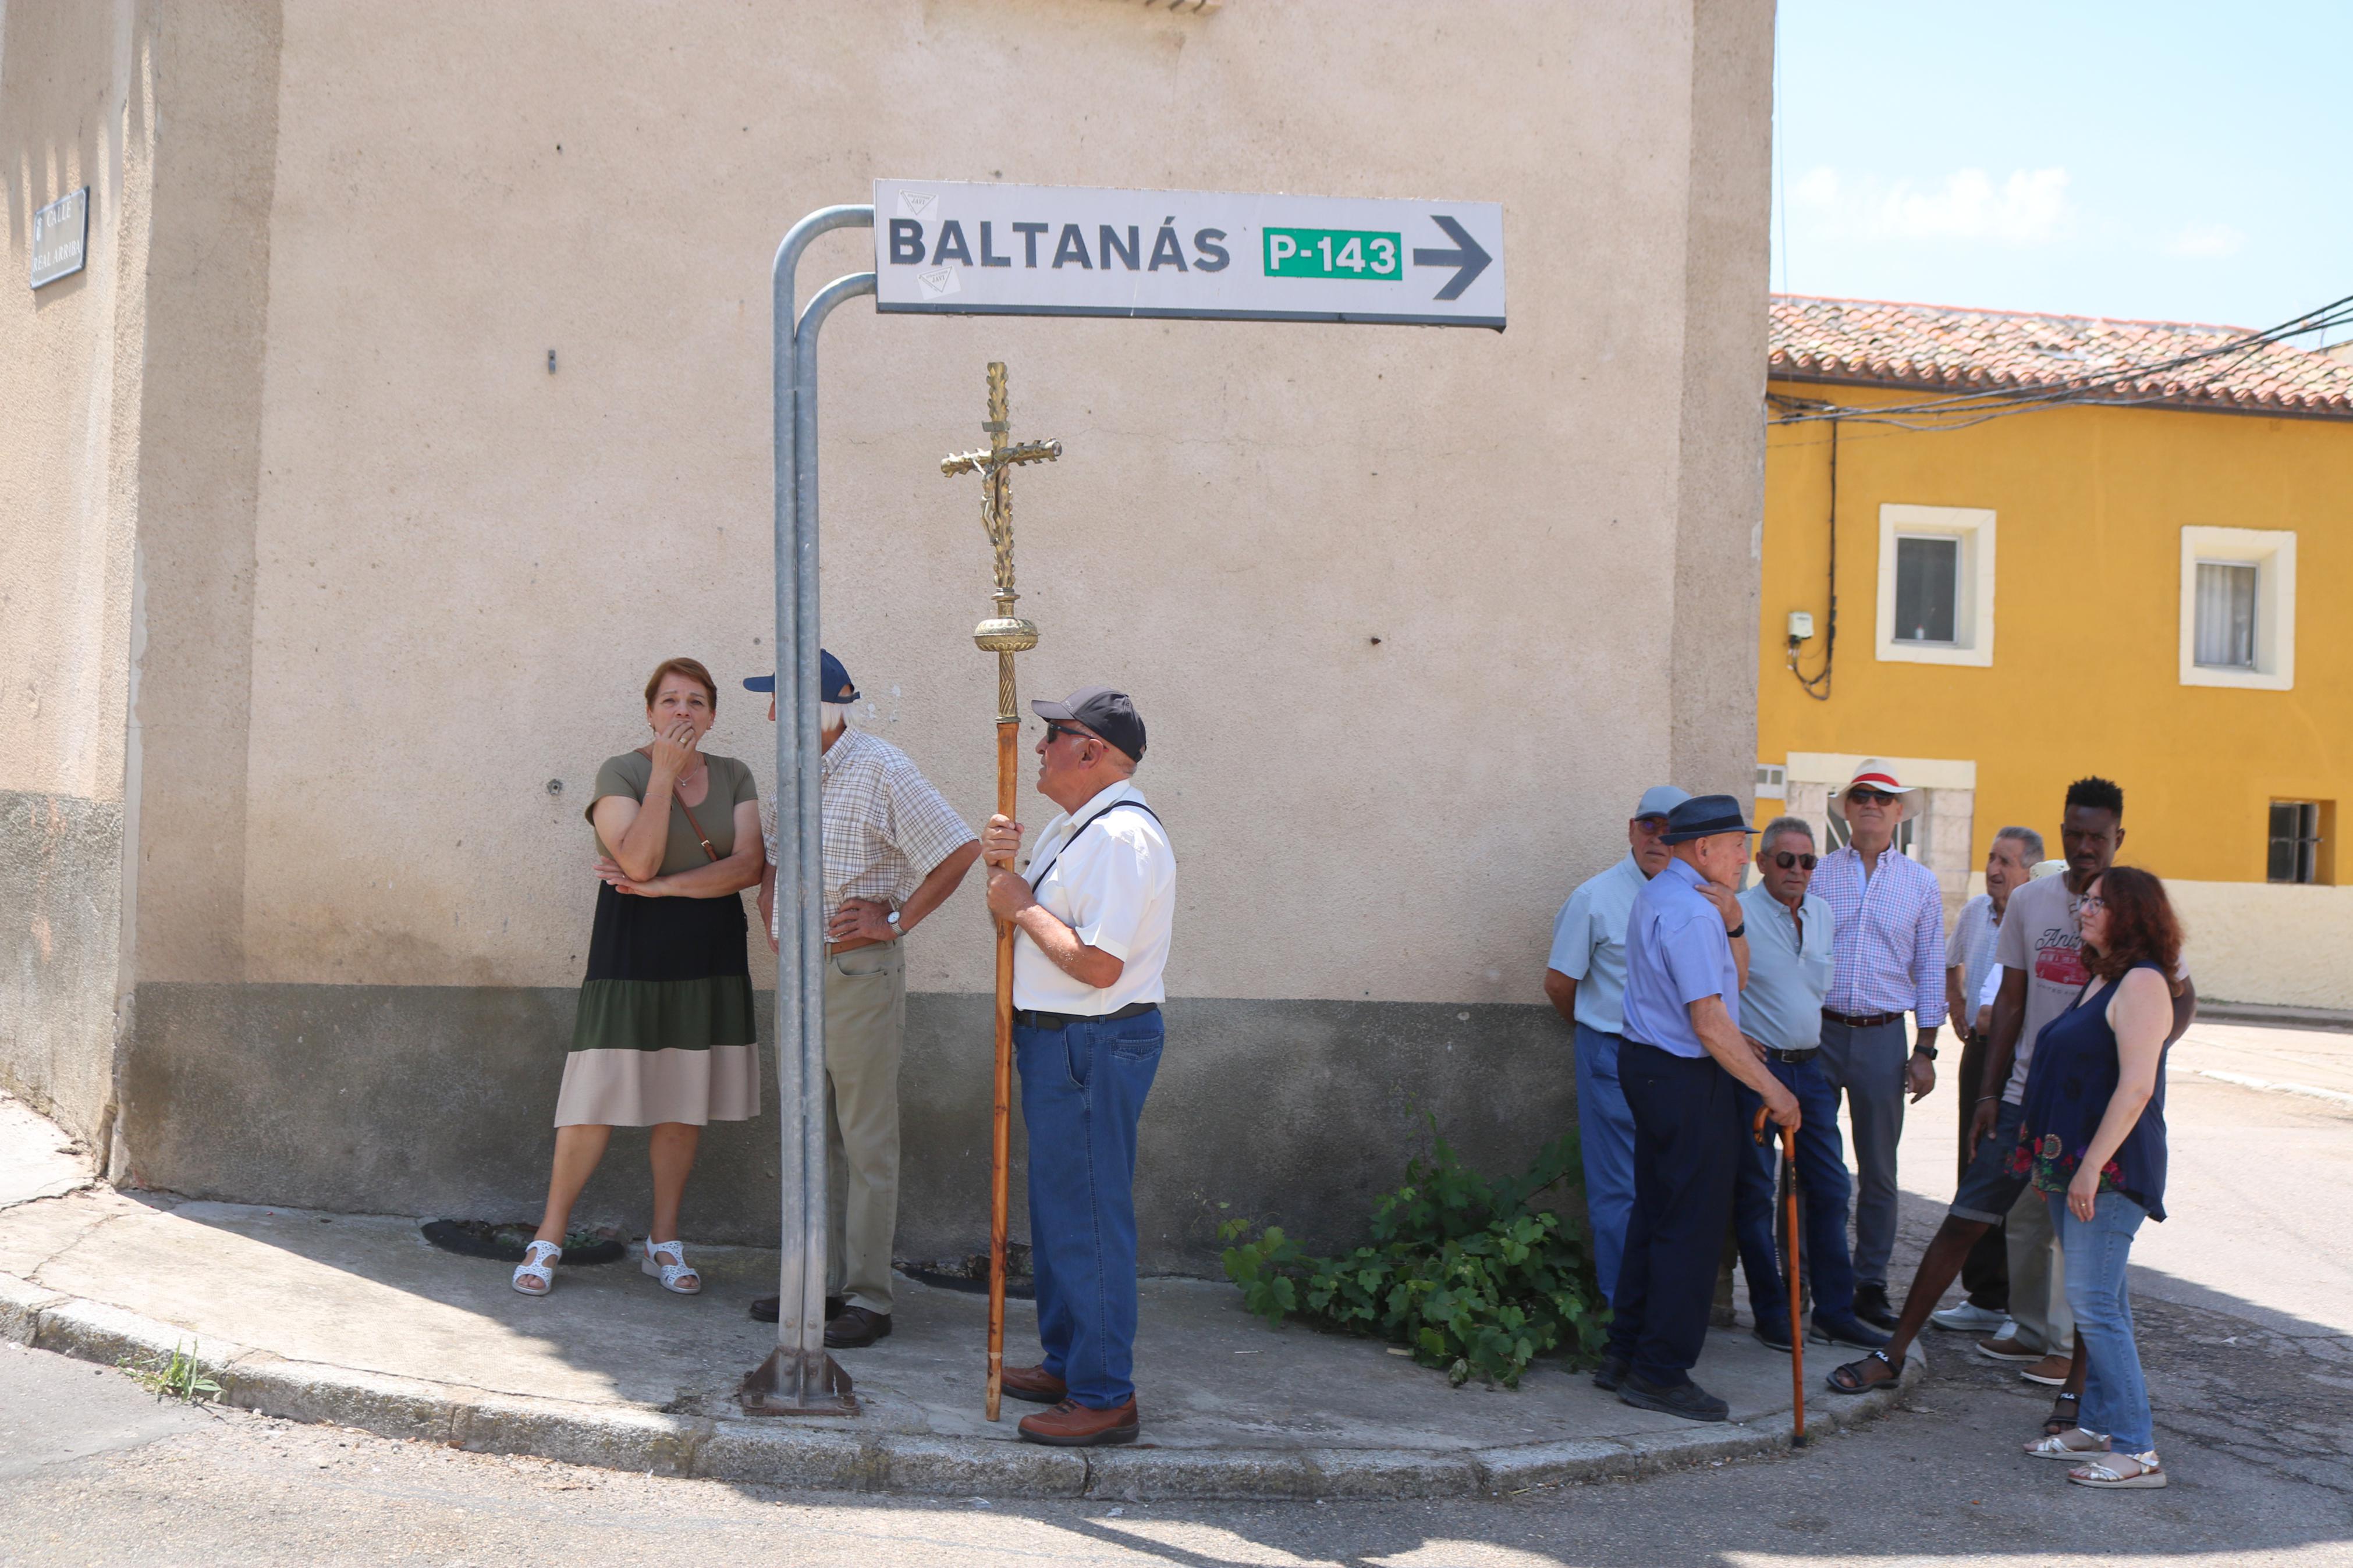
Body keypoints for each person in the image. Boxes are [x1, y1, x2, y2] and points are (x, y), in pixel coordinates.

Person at [1826, 777, 2194, 1424]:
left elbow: (2178, 999)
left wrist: (2140, 1055)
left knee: (2084, 1264)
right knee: (1963, 1220)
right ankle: (1892, 1352)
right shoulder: (2030, 902)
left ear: (2118, 838)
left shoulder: (2132, 908)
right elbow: (2012, 1002)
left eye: (2096, 837)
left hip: (2089, 1116)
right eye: (2072, 833)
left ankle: (2076, 1395)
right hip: (2024, 1099)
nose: (2083, 847)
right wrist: (1989, 1093)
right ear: (2059, 829)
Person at [746, 650, 981, 1347]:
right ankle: (810, 1286)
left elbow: (959, 850)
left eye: (777, 699)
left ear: (811, 705)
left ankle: (868, 1300)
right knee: (804, 1133)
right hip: (801, 975)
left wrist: (896, 919)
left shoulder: (883, 766)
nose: (767, 714)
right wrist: (768, 899)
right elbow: (778, 857)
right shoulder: (792, 770)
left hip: (857, 973)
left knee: (864, 1137)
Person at [513, 658, 766, 1300]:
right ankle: (549, 1236)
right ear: (650, 711)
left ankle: (664, 1239)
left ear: (712, 716)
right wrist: (663, 776)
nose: (684, 711)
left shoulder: (736, 776)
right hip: (628, 953)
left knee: (683, 1102)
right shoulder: (620, 772)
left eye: (697, 702)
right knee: (593, 1098)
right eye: (671, 701)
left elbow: (745, 868)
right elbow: (637, 855)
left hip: (706, 953)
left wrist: (663, 890)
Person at [979, 687, 1174, 1448]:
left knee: (1088, 1218)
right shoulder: (1078, 827)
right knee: (1062, 1212)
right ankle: (1068, 1361)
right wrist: (1006, 878)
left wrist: (1020, 901)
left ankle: (1103, 1393)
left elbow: (1096, 963)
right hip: (1060, 1040)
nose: (1037, 747)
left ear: (1090, 749)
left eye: (1051, 734)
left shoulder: (1122, 836)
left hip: (1092, 1039)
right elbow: (1026, 921)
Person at [1593, 794, 1799, 1423]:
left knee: (1658, 1214)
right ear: (1703, 847)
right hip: (1682, 1075)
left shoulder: (1680, 896)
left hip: (1660, 1070)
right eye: (1738, 844)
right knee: (1689, 1227)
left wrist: (1735, 920)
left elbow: (1732, 982)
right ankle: (1658, 1370)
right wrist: (1772, 1087)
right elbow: (1709, 1021)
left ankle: (1625, 1354)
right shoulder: (1684, 909)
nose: (1745, 855)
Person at [2015, 866, 2180, 1489]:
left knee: (2093, 1303)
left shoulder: (2141, 983)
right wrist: (2051, 1166)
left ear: (2130, 913)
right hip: (2074, 1168)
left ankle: (2137, 1451)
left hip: (2109, 1171)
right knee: (2100, 1301)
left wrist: (2085, 1168)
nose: (2082, 909)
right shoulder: (2103, 978)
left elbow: (2136, 1087)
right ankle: (2097, 1423)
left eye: (2096, 902)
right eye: (2082, 899)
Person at [1726, 817, 1889, 1353]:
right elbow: (1715, 987)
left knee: (1831, 1188)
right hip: (1757, 1072)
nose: (1797, 870)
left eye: (1808, 861)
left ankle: (1833, 1312)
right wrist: (1737, 1036)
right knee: (1755, 1194)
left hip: (1810, 1069)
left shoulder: (1821, 913)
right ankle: (1772, 1313)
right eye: (1786, 860)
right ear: (1762, 862)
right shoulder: (1737, 914)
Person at [1808, 760, 1947, 1328]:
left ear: (1897, 812)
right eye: (1860, 795)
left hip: (1882, 1036)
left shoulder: (1919, 883)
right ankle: (1806, 1281)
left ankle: (1868, 1285)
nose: (1870, 804)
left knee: (1879, 1172)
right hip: (1815, 1032)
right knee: (1812, 1166)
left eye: (1882, 798)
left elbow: (1930, 967)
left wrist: (1925, 1050)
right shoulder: (1816, 873)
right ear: (1846, 807)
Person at [1543, 784, 1691, 1304]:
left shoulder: (1695, 898)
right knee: (1619, 1192)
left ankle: (1660, 1309)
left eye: (1671, 828)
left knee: (1672, 1188)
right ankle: (1621, 1312)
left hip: (1680, 1062)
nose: (1659, 837)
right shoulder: (1594, 898)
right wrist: (1598, 1031)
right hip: (1611, 1051)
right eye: (1650, 825)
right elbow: (1560, 984)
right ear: (1631, 829)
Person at [1929, 827, 2045, 1336]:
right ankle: (1983, 1295)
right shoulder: (1977, 911)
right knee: (1972, 1166)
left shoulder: (2039, 916)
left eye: (2007, 861)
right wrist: (1956, 1005)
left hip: (2019, 1057)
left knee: (2015, 1182)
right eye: (1991, 858)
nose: (1995, 869)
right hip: (1977, 1056)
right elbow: (1949, 961)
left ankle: (2018, 1302)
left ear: (2030, 872)